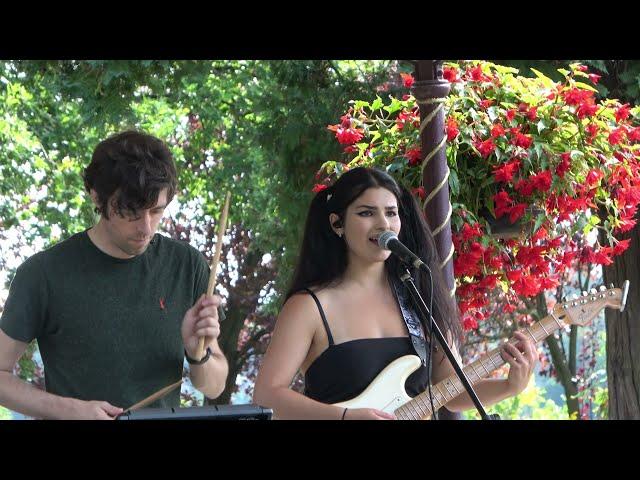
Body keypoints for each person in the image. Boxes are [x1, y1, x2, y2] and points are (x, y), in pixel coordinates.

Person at [253, 167, 538, 419]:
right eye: (366, 213)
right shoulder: (310, 306)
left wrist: (509, 386)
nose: (383, 224)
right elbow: (267, 396)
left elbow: (450, 393)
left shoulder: (419, 298)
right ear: (337, 224)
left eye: (391, 213)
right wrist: (344, 417)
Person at [0, 130, 228, 419]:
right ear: (97, 196)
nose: (146, 228)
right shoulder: (43, 274)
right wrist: (68, 409)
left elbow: (214, 386)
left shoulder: (187, 265)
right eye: (132, 212)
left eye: (156, 211)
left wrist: (199, 355)